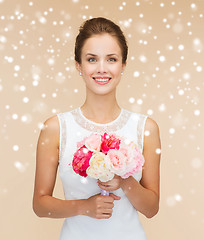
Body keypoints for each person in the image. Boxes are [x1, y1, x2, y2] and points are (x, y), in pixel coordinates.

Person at [33, 17, 161, 240]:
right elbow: (40, 205)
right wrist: (84, 207)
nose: (102, 69)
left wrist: (124, 181)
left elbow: (151, 209)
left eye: (111, 59)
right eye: (92, 59)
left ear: (123, 65)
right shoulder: (55, 128)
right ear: (79, 66)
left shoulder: (146, 128)